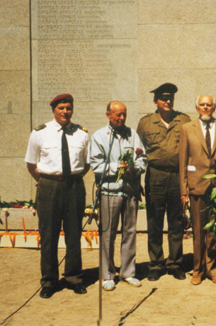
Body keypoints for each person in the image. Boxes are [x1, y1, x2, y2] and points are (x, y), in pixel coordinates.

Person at [25, 93, 90, 299]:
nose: (65, 112)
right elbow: (31, 163)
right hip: (49, 187)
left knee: (73, 234)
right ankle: (49, 281)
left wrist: (70, 179)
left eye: (68, 108)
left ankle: (73, 278)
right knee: (49, 236)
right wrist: (46, 182)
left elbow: (86, 164)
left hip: (74, 187)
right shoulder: (39, 133)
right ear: (54, 109)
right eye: (61, 108)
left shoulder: (81, 134)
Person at [90, 101, 147, 291]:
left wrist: (135, 167)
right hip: (110, 191)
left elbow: (142, 158)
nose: (121, 118)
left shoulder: (132, 134)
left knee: (129, 232)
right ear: (108, 115)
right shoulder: (99, 136)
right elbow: (96, 166)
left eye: (124, 114)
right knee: (108, 233)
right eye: (117, 115)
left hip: (130, 191)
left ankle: (128, 272)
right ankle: (107, 275)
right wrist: (117, 167)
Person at [137, 83, 191, 282]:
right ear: (155, 101)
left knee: (176, 222)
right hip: (156, 176)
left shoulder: (183, 120)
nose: (168, 102)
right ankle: (156, 264)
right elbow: (138, 151)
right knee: (155, 222)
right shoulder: (146, 123)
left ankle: (175, 263)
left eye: (170, 98)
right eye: (163, 98)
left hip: (177, 176)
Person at [179, 95, 216, 286]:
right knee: (198, 231)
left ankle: (214, 269)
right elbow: (183, 161)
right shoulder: (187, 128)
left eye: (209, 105)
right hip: (196, 185)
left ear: (214, 107)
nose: (205, 107)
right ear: (197, 107)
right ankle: (198, 270)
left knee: (215, 230)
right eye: (202, 104)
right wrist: (184, 189)